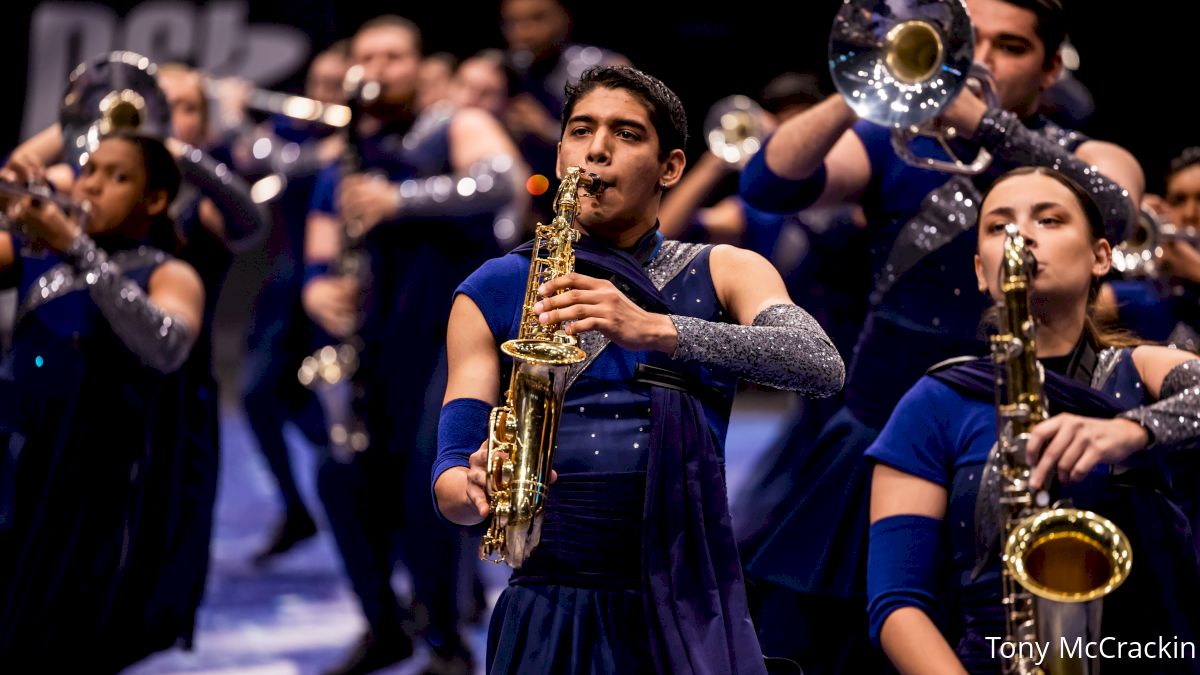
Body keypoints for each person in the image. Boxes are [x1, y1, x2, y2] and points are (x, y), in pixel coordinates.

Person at [738, 1, 1143, 672]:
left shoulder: (1083, 153)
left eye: (1009, 47)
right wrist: (865, 84)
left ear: (1048, 71)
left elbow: (1118, 208)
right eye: (969, 38)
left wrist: (984, 122)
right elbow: (767, 183)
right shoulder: (896, 143)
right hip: (880, 434)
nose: (979, 58)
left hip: (1025, 440)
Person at [433, 64, 844, 675]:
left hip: (688, 603)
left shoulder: (726, 268)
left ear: (671, 167)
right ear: (561, 148)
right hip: (549, 609)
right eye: (581, 130)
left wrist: (655, 328)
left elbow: (820, 365)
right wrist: (472, 489)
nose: (597, 149)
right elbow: (450, 475)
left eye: (625, 134)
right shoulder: (491, 289)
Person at [867, 166, 1200, 675]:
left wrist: (1131, 429)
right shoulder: (934, 402)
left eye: (1049, 219)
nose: (1021, 235)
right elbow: (897, 605)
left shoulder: (1144, 370)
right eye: (999, 226)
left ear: (1100, 257)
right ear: (981, 271)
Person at [302, 15, 526, 675]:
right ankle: (383, 623)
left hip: (453, 339)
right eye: (366, 55)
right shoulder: (343, 153)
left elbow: (501, 180)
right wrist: (319, 290)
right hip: (376, 341)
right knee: (340, 476)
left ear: (417, 64)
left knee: (432, 473)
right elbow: (320, 245)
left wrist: (399, 198)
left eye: (393, 55)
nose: (377, 67)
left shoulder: (452, 123)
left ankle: (444, 642)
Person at [0, 132, 205, 671]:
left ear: (154, 200)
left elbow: (166, 345)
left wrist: (77, 247)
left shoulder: (168, 272)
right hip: (14, 460)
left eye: (117, 177)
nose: (91, 184)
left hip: (88, 487)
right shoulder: (38, 255)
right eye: (88, 169)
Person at [238, 43, 351, 565]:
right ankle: (296, 507)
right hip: (284, 291)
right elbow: (254, 157)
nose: (325, 95)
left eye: (337, 85)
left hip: (341, 292)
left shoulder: (365, 145)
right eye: (319, 84)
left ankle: (370, 518)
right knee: (257, 395)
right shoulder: (295, 135)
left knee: (339, 421)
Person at [500, 0, 627, 219]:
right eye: (513, 23)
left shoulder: (604, 69)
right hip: (526, 207)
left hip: (590, 204)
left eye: (537, 18)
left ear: (565, 17)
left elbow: (623, 145)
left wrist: (548, 130)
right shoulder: (506, 70)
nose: (524, 32)